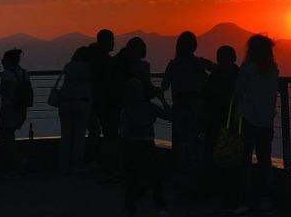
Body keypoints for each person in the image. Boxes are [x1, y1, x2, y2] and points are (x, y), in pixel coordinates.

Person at [161, 31, 215, 191]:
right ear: (194, 46)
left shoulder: (173, 64)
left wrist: (166, 106)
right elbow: (218, 70)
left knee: (179, 144)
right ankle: (195, 181)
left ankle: (180, 179)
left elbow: (163, 87)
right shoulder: (199, 63)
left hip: (178, 109)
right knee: (196, 144)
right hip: (197, 110)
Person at [233, 34, 280, 213]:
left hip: (248, 120)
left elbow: (238, 93)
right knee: (264, 160)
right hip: (266, 122)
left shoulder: (247, 69)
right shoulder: (274, 70)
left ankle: (245, 201)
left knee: (244, 161)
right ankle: (266, 199)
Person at [121, 78, 171, 217]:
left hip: (130, 145)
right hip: (147, 145)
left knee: (132, 179)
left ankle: (131, 208)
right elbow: (169, 115)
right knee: (155, 177)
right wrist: (163, 100)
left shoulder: (126, 110)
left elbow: (124, 131)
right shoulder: (150, 108)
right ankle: (160, 206)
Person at [201, 45, 240, 192]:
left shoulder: (216, 74)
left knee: (213, 152)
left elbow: (206, 93)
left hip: (218, 119)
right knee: (229, 155)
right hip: (227, 120)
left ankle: (214, 187)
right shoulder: (238, 74)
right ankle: (225, 188)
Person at [88, 29, 118, 176]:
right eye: (112, 39)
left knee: (94, 131)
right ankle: (104, 162)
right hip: (103, 101)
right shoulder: (106, 61)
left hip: (90, 100)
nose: (114, 42)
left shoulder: (91, 58)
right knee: (106, 132)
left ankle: (93, 160)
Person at [59, 46, 93, 174]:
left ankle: (64, 166)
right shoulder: (89, 68)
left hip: (65, 103)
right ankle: (77, 166)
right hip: (82, 104)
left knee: (66, 136)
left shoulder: (69, 66)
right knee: (79, 137)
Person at [0, 48, 30, 179]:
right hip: (21, 108)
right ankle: (18, 164)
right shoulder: (24, 73)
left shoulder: (6, 74)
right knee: (8, 136)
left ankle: (15, 166)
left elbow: (5, 91)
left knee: (6, 137)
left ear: (8, 61)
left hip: (9, 108)